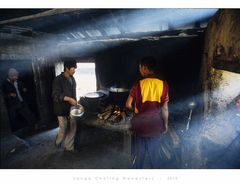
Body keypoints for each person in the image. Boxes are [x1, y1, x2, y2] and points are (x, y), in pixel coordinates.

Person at [125, 56, 169, 168]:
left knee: (139, 157)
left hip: (139, 126)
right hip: (155, 126)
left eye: (140, 68)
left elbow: (128, 104)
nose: (140, 71)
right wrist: (165, 125)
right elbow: (164, 108)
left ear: (144, 68)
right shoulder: (163, 84)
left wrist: (136, 110)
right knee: (154, 159)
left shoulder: (138, 84)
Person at [52, 60, 78, 152]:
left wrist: (75, 102)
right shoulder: (58, 79)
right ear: (66, 68)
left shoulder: (72, 78)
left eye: (75, 68)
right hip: (61, 108)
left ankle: (69, 147)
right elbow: (55, 95)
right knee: (63, 128)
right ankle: (57, 141)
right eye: (73, 68)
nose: (74, 70)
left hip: (71, 108)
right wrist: (70, 99)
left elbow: (73, 93)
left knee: (73, 126)